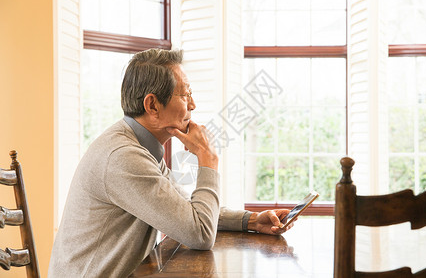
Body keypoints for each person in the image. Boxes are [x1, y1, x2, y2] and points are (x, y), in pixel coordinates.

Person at [48, 48, 294, 277]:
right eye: (185, 94)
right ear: (152, 105)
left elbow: (186, 210)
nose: (193, 105)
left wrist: (250, 220)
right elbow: (199, 233)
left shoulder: (140, 145)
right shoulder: (123, 157)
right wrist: (208, 159)